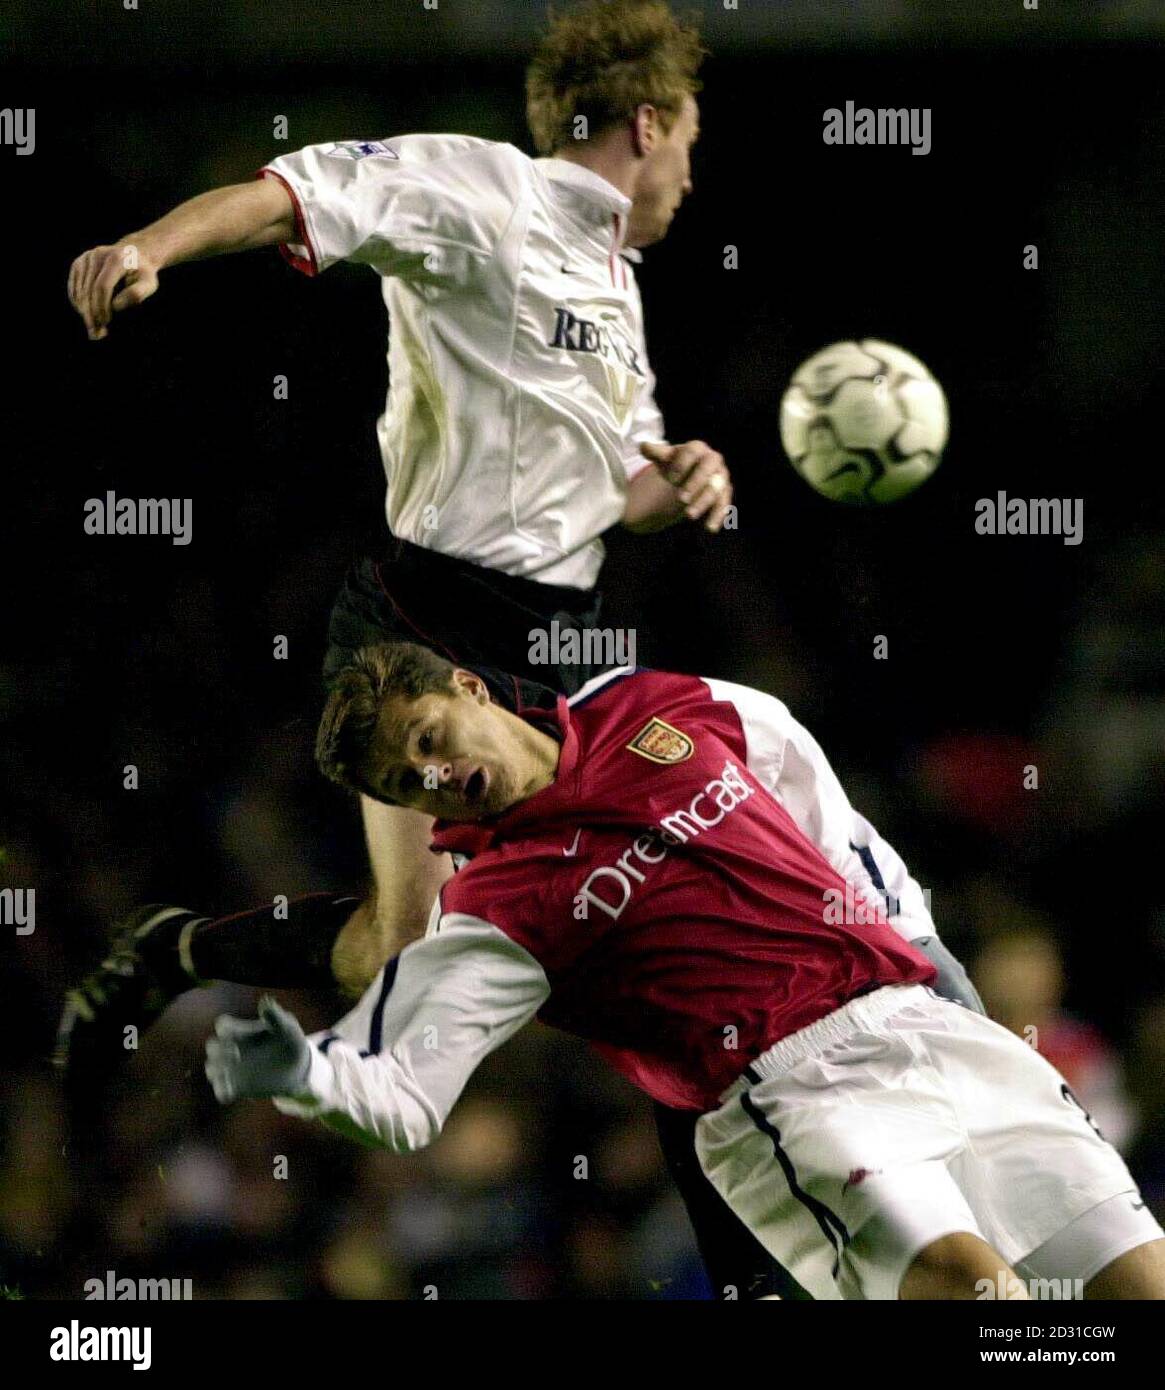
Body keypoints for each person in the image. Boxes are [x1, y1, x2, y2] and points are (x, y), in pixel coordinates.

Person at [203, 642, 1165, 1300]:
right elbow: (404, 1090)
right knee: (973, 1289)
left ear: (467, 687)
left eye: (426, 744)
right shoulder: (490, 907)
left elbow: (796, 766)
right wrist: (304, 1075)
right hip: (791, 1096)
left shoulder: (644, 704)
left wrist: (917, 940)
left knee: (1135, 1287)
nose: (434, 779)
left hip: (920, 1022)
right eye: (403, 786)